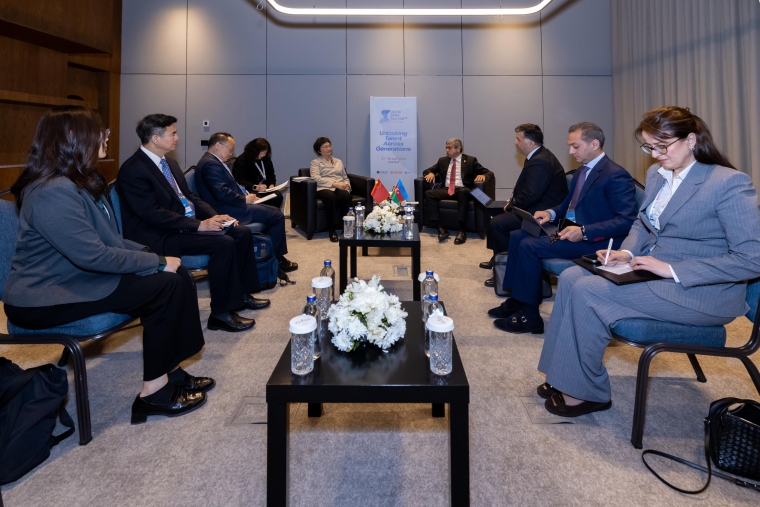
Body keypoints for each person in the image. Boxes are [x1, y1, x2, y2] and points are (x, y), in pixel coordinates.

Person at [537, 106, 760, 417]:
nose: (655, 155)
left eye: (662, 146)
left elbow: (751, 259)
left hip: (703, 292)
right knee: (573, 278)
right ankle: (562, 375)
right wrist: (626, 254)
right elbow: (642, 223)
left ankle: (585, 392)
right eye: (650, 147)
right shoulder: (658, 174)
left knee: (587, 292)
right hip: (653, 273)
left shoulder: (728, 183)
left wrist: (671, 269)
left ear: (691, 140)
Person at [3, 106, 213, 423]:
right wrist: (156, 262)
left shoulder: (76, 182)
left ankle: (172, 372)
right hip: (45, 298)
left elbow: (110, 240)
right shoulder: (51, 190)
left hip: (74, 279)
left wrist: (156, 259)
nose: (106, 137)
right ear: (74, 137)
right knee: (165, 286)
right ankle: (154, 394)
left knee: (178, 274)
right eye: (101, 132)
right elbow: (94, 255)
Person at [117, 114, 270, 334]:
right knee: (223, 244)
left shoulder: (169, 162)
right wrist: (198, 226)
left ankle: (242, 296)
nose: (177, 138)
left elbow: (190, 197)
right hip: (160, 233)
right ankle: (220, 314)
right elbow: (152, 214)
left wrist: (218, 216)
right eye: (173, 134)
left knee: (241, 232)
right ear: (155, 138)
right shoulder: (133, 169)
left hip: (184, 223)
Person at [490, 122, 637, 334]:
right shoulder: (582, 171)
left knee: (529, 246)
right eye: (569, 146)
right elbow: (568, 205)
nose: (570, 151)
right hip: (570, 230)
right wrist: (550, 213)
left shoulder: (615, 175)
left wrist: (584, 232)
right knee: (517, 236)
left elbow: (626, 221)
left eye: (575, 146)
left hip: (597, 241)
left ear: (594, 144)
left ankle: (530, 316)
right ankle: (517, 300)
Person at [194, 132, 297, 275]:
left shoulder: (212, 161)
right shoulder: (210, 164)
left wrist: (246, 196)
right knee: (276, 215)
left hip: (231, 204)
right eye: (230, 149)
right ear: (218, 145)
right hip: (226, 210)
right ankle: (278, 260)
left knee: (271, 210)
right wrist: (244, 199)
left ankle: (270, 255)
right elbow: (221, 192)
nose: (231, 153)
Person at [481, 124, 568, 287]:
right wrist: (511, 202)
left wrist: (512, 205)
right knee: (490, 210)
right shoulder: (538, 156)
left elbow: (531, 194)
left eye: (518, 139)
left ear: (531, 143)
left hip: (541, 214)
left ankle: (505, 268)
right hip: (534, 205)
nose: (515, 142)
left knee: (497, 223)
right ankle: (497, 258)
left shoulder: (541, 161)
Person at [423, 138, 494, 244]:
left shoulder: (470, 160)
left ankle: (461, 230)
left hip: (463, 189)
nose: (447, 150)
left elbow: (489, 173)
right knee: (429, 193)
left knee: (462, 192)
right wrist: (430, 173)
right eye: (446, 148)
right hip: (447, 189)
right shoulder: (442, 161)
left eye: (449, 148)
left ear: (458, 149)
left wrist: (484, 176)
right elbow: (427, 170)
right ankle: (440, 228)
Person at [310, 137, 352, 242]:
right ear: (319, 150)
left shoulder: (339, 161)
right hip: (323, 187)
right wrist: (334, 184)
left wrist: (347, 185)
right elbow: (316, 178)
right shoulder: (315, 163)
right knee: (331, 197)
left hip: (339, 186)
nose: (329, 148)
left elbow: (345, 177)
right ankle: (331, 230)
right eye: (325, 147)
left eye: (329, 146)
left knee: (345, 196)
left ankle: (345, 227)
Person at [232, 137, 284, 209]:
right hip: (250, 189)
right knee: (259, 200)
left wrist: (271, 185)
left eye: (265, 153)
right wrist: (255, 187)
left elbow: (271, 175)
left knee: (278, 196)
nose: (263, 155)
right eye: (261, 153)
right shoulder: (242, 160)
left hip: (264, 189)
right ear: (254, 151)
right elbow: (240, 180)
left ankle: (274, 213)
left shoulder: (266, 159)